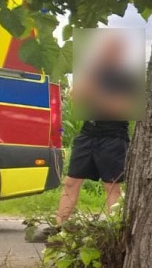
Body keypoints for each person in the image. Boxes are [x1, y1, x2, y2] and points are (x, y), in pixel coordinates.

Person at [44, 30, 142, 237]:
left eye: (112, 49)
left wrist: (96, 95)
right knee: (71, 181)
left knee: (111, 186)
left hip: (113, 136)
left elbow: (123, 109)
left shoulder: (128, 77)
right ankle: (59, 228)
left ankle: (116, 231)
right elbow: (76, 97)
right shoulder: (93, 72)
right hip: (88, 132)